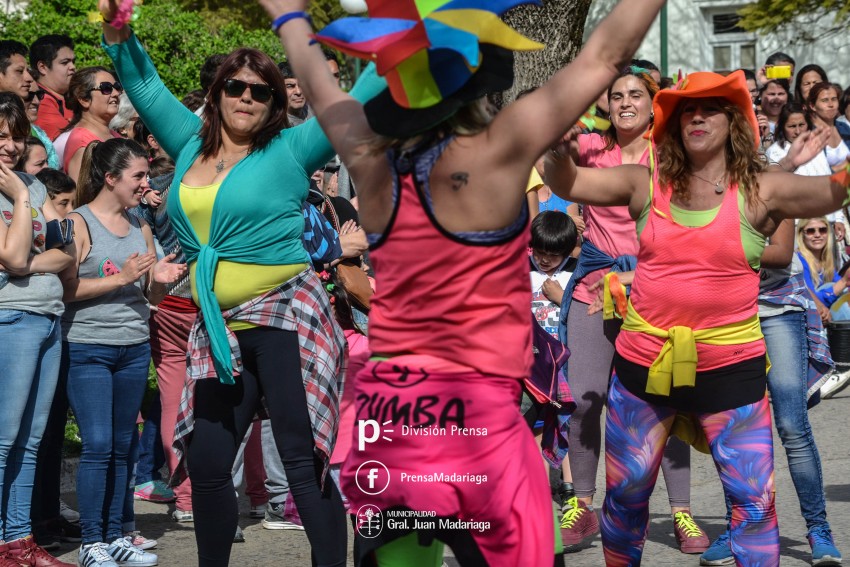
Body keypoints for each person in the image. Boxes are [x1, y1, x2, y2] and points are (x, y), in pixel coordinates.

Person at [262, 0, 667, 564]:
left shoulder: (367, 158)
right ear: (480, 82)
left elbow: (323, 90)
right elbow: (605, 55)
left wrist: (288, 16)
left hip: (394, 425)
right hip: (480, 426)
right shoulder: (500, 152)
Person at [98, 0, 387, 564]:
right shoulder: (189, 142)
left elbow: (352, 102)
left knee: (304, 465)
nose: (247, 97)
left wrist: (399, 38)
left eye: (260, 90)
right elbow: (146, 84)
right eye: (235, 87)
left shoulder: (291, 149)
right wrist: (117, 30)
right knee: (208, 464)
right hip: (217, 324)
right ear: (218, 94)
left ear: (275, 101)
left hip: (287, 318)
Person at [543, 68, 849, 565]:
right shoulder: (644, 182)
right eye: (688, 109)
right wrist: (557, 151)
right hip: (644, 368)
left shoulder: (762, 189)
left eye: (711, 108)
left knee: (754, 508)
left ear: (733, 122)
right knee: (625, 504)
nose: (698, 116)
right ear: (673, 125)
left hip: (732, 370)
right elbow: (570, 180)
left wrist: (836, 151)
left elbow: (836, 195)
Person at [557, 65, 708, 554]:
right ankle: (582, 505)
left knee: (666, 402)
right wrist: (555, 141)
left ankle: (681, 512)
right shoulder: (587, 148)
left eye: (635, 94)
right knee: (582, 399)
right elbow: (555, 178)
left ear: (653, 101)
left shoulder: (673, 153)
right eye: (616, 94)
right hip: (596, 287)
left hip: (657, 288)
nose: (624, 102)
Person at [59, 138, 185, 567]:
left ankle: (115, 535)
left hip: (132, 346)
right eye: (138, 176)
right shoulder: (79, 223)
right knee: (96, 445)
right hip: (88, 347)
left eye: (147, 174)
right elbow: (67, 290)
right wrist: (123, 277)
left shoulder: (140, 225)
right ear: (110, 178)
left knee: (120, 444)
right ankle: (91, 541)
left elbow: (149, 293)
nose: (146, 183)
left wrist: (162, 279)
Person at [0, 91, 75, 567]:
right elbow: (10, 258)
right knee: (4, 436)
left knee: (32, 438)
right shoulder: (28, 190)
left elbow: (67, 247)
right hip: (10, 317)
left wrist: (31, 257)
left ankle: (17, 540)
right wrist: (24, 199)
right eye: (0, 136)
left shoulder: (36, 185)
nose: (9, 145)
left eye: (15, 136)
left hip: (48, 316)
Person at [61, 67, 121, 181]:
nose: (116, 93)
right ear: (84, 99)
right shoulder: (82, 143)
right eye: (106, 88)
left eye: (117, 87)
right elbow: (83, 195)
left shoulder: (115, 135)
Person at [795, 217, 850, 322]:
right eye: (811, 231)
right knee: (831, 288)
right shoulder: (799, 260)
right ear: (801, 235)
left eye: (822, 230)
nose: (817, 235)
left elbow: (841, 287)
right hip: (809, 316)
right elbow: (812, 300)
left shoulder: (825, 260)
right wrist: (844, 281)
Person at [29, 35, 76, 140]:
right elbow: (69, 141)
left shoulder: (66, 96)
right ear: (43, 67)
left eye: (73, 61)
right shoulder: (41, 102)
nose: (73, 67)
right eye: (65, 62)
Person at [807, 83, 850, 170]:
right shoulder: (808, 133)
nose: (831, 104)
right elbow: (813, 174)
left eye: (834, 99)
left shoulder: (844, 127)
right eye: (825, 100)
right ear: (812, 106)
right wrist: (845, 164)